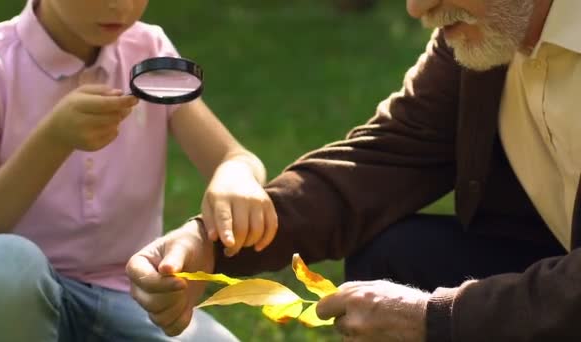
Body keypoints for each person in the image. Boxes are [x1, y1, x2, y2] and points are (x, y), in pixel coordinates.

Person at [127, 0, 581, 340]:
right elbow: (384, 159)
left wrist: (435, 317)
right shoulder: (487, 28)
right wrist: (212, 243)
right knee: (393, 257)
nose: (417, 7)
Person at [0, 0, 279, 341]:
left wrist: (234, 174)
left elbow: (235, 156)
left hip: (133, 297)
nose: (119, 5)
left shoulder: (147, 49)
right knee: (3, 263)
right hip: (17, 300)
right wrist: (53, 139)